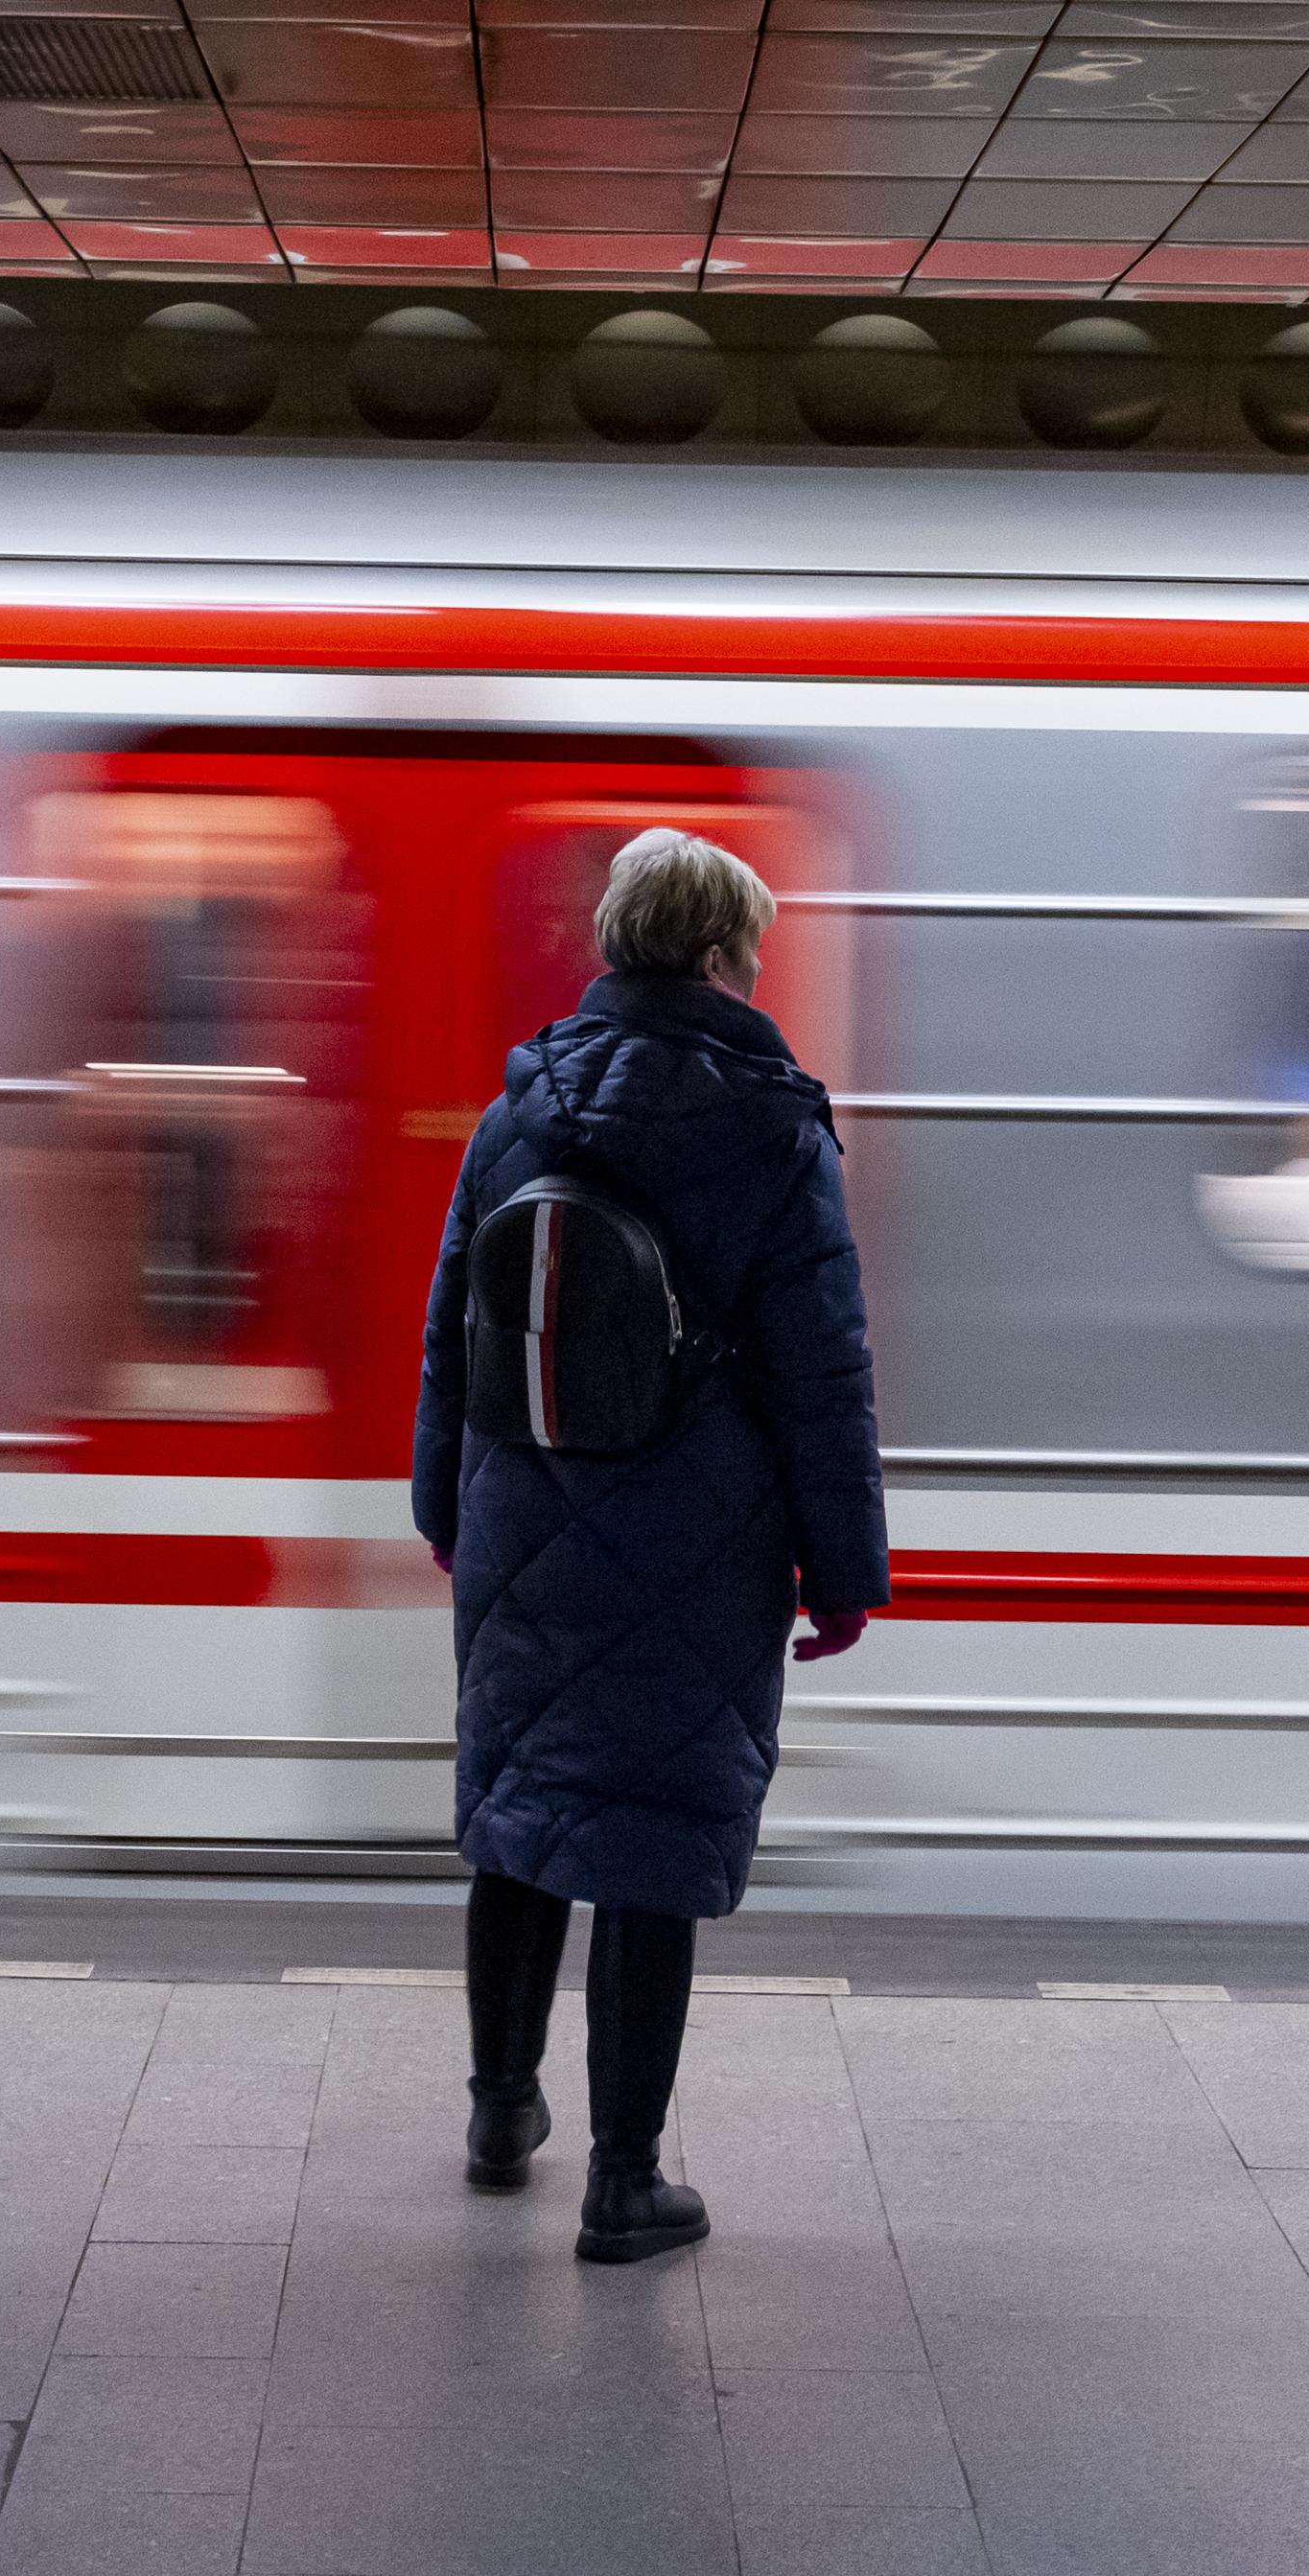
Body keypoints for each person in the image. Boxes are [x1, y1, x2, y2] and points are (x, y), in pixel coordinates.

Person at [412, 826, 888, 2263]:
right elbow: (822, 1374)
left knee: (522, 1817)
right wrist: (846, 1572)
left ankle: (503, 2115)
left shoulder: (519, 1108)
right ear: (721, 950)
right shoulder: (770, 1127)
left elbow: (451, 1334)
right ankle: (627, 2183)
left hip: (523, 1506)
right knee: (650, 1842)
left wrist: (448, 1509)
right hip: (701, 1534)